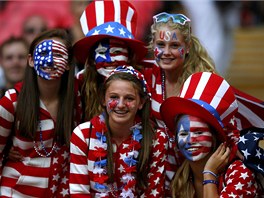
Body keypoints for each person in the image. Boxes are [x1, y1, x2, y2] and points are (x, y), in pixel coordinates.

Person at [0, 28, 80, 197]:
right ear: (30, 60)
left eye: (58, 55)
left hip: (61, 192)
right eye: (43, 53)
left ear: (68, 64)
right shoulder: (12, 100)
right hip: (15, 192)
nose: (50, 61)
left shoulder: (78, 99)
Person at [145, 12, 216, 193]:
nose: (166, 52)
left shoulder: (202, 82)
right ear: (153, 45)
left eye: (175, 45)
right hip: (158, 169)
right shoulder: (147, 76)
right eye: (160, 44)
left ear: (188, 46)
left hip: (193, 168)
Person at [69, 66, 168, 197]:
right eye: (114, 97)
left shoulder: (157, 139)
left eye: (129, 98)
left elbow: (154, 194)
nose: (120, 104)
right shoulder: (83, 134)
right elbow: (79, 193)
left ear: (141, 102)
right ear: (103, 99)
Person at [160, 72, 261, 197]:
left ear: (215, 136)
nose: (190, 139)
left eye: (199, 132)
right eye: (183, 133)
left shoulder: (239, 172)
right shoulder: (181, 174)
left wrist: (209, 174)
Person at [73, 0, 148, 121]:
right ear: (92, 59)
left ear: (129, 56)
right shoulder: (80, 83)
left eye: (117, 52)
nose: (109, 59)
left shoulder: (145, 79)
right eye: (102, 52)